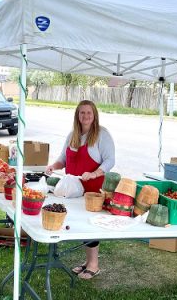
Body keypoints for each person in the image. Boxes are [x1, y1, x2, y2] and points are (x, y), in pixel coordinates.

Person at [45, 100, 115, 280]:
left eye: (89, 113)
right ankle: (87, 262)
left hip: (91, 190)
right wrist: (53, 166)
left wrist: (94, 174)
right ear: (77, 115)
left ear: (94, 115)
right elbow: (63, 160)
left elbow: (110, 160)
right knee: (80, 225)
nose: (85, 116)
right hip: (73, 190)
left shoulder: (102, 134)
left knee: (89, 226)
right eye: (82, 113)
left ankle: (94, 265)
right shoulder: (72, 135)